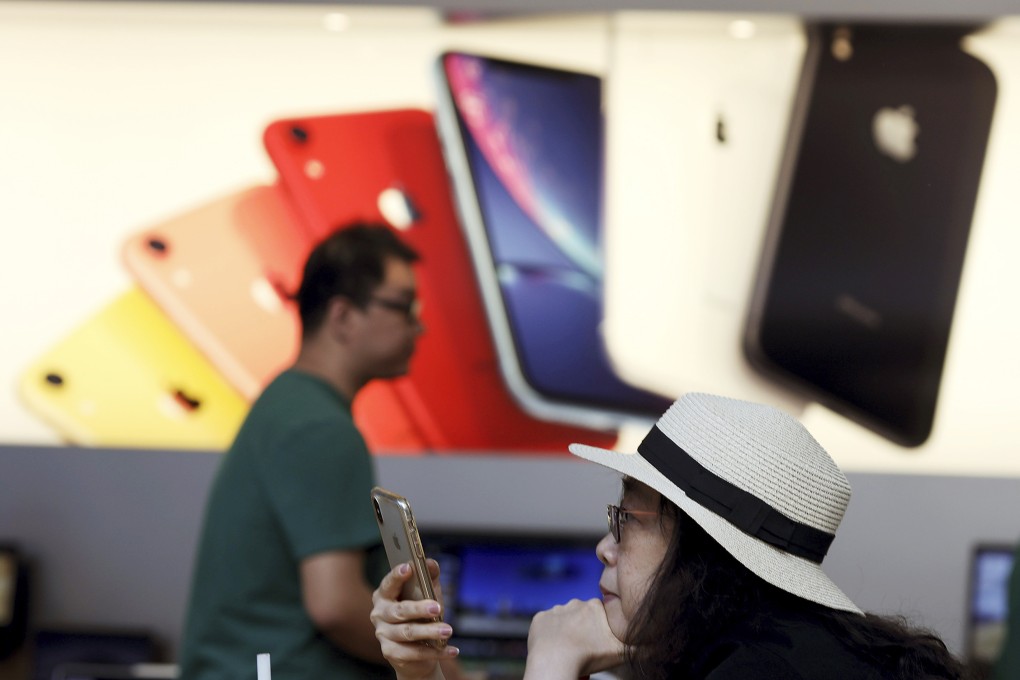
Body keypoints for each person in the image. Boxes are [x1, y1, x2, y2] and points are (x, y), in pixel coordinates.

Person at [370, 392, 968, 680]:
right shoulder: (790, 652)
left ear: (700, 549)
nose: (605, 547)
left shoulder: (757, 676)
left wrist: (553, 662)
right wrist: (425, 670)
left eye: (625, 522)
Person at [179, 223, 425, 679]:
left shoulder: (288, 404)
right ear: (343, 316)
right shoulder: (321, 427)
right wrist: (439, 667)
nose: (419, 323)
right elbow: (334, 605)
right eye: (403, 306)